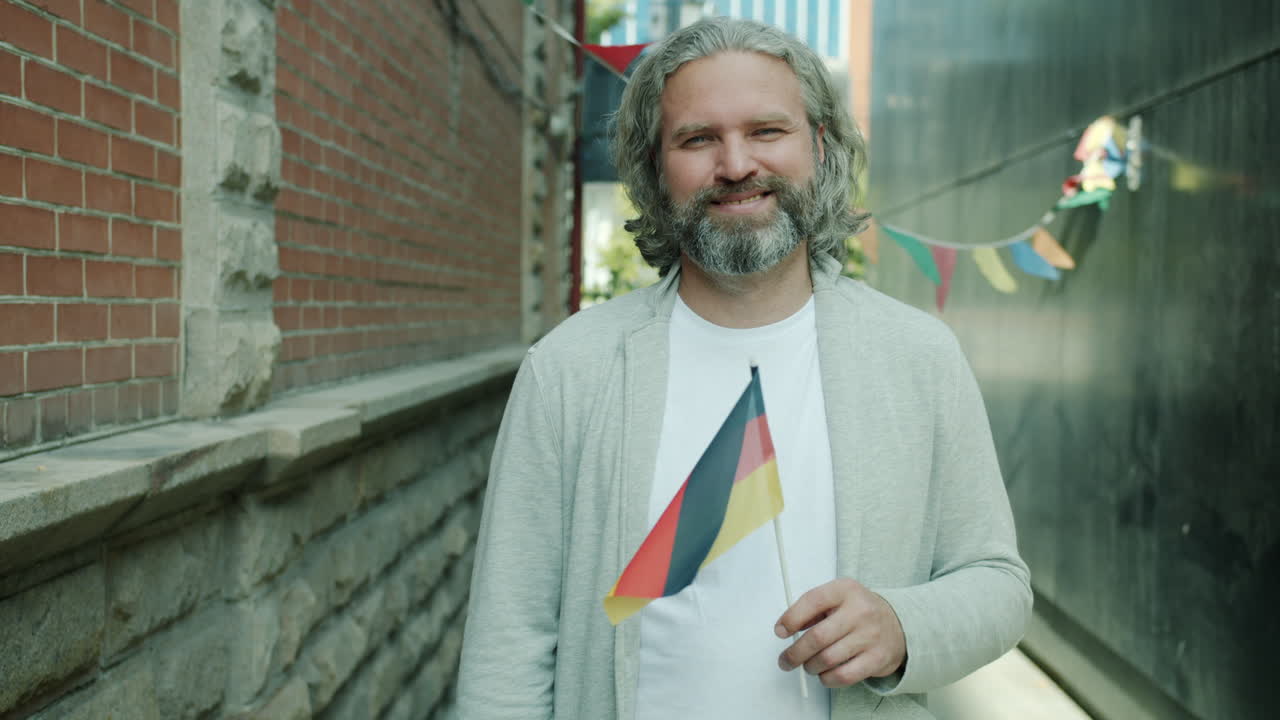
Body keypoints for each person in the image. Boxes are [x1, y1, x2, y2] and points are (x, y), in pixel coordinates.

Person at [456, 17, 1030, 720]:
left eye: (767, 131)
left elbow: (998, 583)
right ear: (655, 166)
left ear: (819, 146)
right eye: (698, 139)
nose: (736, 165)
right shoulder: (569, 370)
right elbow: (507, 647)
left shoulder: (918, 357)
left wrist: (902, 626)